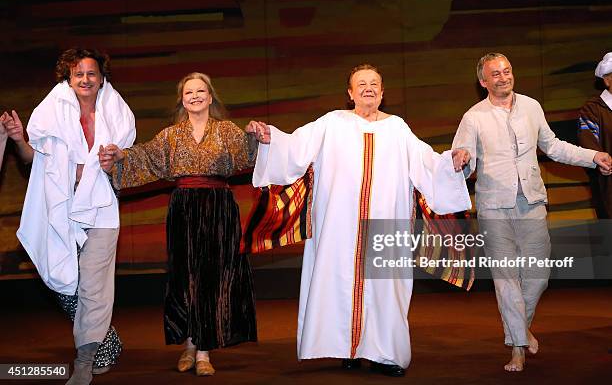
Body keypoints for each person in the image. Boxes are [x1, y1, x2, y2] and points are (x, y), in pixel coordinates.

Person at [246, 64, 472, 377]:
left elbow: (428, 164)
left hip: (384, 224)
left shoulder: (398, 128)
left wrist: (453, 161)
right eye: (361, 84)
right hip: (339, 226)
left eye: (374, 84)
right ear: (350, 93)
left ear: (382, 92)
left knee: (385, 288)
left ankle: (385, 354)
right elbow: (294, 149)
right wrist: (270, 137)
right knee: (338, 282)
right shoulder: (332, 123)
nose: (368, 88)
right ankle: (346, 349)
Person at [452, 52, 612, 372]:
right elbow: (463, 157)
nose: (503, 77)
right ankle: (518, 348)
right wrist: (463, 157)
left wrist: (593, 156)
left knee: (537, 276)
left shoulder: (531, 107)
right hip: (494, 207)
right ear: (483, 81)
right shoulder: (474, 117)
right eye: (495, 74)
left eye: (507, 71)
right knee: (507, 278)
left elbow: (553, 146)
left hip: (532, 202)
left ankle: (519, 329)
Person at [99, 72, 257, 376]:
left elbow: (250, 155)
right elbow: (144, 157)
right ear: (182, 100)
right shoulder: (171, 136)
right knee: (185, 277)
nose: (195, 96)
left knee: (211, 278)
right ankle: (188, 343)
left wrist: (254, 135)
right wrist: (121, 155)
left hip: (219, 210)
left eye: (201, 91)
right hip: (184, 210)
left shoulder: (226, 131)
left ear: (210, 97)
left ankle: (204, 352)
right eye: (189, 93)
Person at [16, 48, 136, 385]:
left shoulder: (116, 112)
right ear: (68, 78)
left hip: (100, 207)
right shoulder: (51, 111)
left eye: (91, 73)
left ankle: (83, 361)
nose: (85, 79)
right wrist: (16, 139)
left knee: (95, 288)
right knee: (66, 282)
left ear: (101, 78)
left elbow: (128, 156)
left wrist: (119, 155)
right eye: (78, 73)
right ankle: (106, 342)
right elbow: (32, 156)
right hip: (61, 207)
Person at [578, 52, 612, 218]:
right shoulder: (593, 109)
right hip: (608, 185)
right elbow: (589, 142)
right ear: (607, 80)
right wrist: (603, 164)